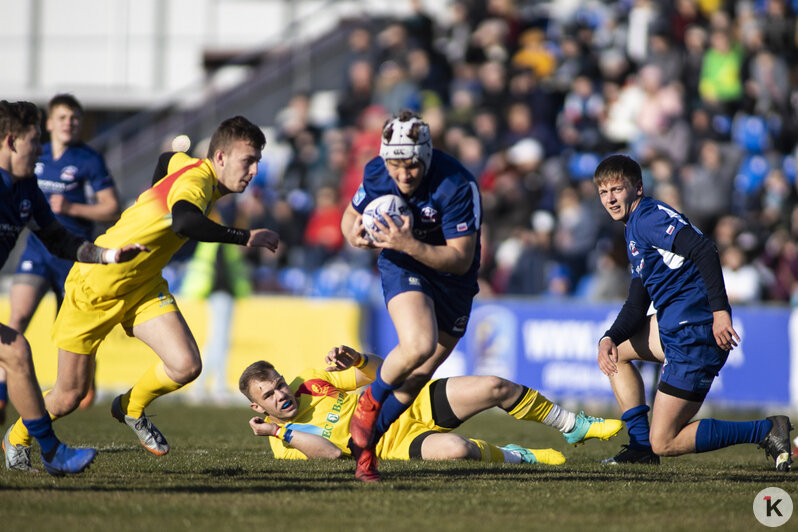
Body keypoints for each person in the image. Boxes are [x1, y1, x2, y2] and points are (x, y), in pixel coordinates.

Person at [4, 115, 280, 471]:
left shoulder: (189, 164)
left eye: (257, 160)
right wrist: (244, 237)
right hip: (97, 284)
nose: (255, 170)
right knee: (68, 396)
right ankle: (17, 437)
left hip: (142, 282)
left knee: (185, 365)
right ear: (221, 158)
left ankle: (130, 407)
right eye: (249, 160)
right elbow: (185, 222)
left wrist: (152, 196)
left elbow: (167, 159)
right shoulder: (197, 180)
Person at [593, 154, 792, 471]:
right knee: (614, 352)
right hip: (676, 324)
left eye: (617, 189)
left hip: (694, 330)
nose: (610, 198)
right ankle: (640, 448)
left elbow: (704, 249)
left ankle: (767, 430)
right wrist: (609, 336)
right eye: (603, 192)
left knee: (666, 441)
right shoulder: (635, 228)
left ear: (638, 188)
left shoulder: (647, 218)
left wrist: (720, 312)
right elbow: (637, 299)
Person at [0, 100, 146, 475]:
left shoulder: (27, 187)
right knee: (15, 349)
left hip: (68, 263)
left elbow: (59, 240)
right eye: (34, 142)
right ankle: (51, 451)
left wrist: (108, 256)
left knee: (16, 352)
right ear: (11, 141)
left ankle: (50, 452)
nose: (39, 151)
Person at [339, 110, 476, 480]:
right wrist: (353, 235)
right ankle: (369, 401)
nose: (402, 175)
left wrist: (409, 243)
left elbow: (461, 260)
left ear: (427, 156)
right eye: (394, 165)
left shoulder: (456, 185)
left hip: (452, 280)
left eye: (411, 167)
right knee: (419, 346)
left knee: (420, 373)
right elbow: (349, 219)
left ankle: (364, 450)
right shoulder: (376, 171)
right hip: (404, 265)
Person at [239, 345, 623, 466]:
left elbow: (383, 373)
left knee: (494, 385)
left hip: (409, 401)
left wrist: (357, 359)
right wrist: (279, 431)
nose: (281, 395)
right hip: (393, 444)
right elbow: (332, 458)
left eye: (277, 384)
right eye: (269, 396)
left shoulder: (308, 381)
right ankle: (519, 456)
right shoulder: (282, 440)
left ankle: (572, 424)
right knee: (459, 450)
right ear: (258, 408)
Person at [1, 94, 121, 422]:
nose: (70, 123)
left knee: (65, 332)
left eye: (75, 117)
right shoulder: (20, 170)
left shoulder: (87, 160)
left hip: (70, 255)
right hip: (36, 253)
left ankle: (75, 386)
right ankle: (5, 399)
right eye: (63, 117)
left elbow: (109, 209)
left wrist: (103, 251)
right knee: (18, 322)